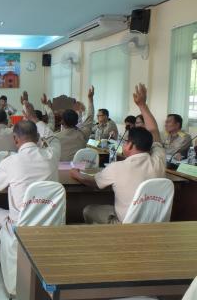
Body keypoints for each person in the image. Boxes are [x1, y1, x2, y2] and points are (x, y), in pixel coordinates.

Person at [70, 84, 166, 224]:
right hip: (154, 223)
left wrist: (76, 174)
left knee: (89, 210)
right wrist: (142, 105)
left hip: (125, 225)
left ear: (131, 145)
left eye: (126, 142)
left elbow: (94, 183)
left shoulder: (117, 168)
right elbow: (154, 131)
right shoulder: (158, 160)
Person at [0, 120, 60, 236]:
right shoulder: (52, 155)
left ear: (15, 139)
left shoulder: (9, 162)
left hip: (20, 225)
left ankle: (11, 243)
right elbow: (54, 139)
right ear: (37, 138)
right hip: (49, 223)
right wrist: (36, 119)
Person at [51, 86, 95, 161]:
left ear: (62, 122)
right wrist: (90, 99)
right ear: (76, 121)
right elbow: (90, 117)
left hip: (63, 169)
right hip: (79, 168)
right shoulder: (83, 134)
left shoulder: (55, 138)